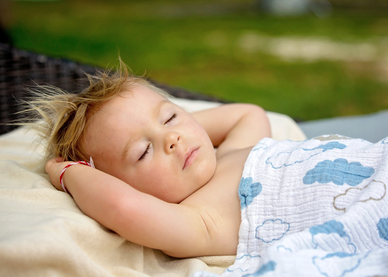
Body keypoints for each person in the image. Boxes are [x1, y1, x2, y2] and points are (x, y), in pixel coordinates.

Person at [29, 63, 271, 258]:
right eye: (143, 151)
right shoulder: (200, 220)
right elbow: (122, 207)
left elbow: (249, 114)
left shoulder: (232, 151)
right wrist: (69, 172)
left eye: (170, 117)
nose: (172, 139)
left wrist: (174, 127)